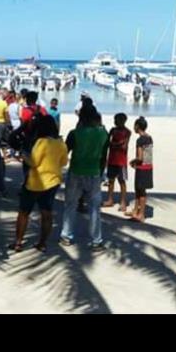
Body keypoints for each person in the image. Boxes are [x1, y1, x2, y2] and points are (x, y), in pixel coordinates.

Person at [12, 115, 68, 253]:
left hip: (35, 182)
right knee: (46, 213)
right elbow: (64, 162)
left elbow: (34, 162)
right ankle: (42, 243)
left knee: (24, 213)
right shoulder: (61, 143)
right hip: (53, 181)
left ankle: (18, 243)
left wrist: (23, 155)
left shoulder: (41, 142)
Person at [60, 103, 109, 252]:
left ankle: (66, 236)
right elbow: (103, 157)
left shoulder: (74, 133)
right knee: (94, 208)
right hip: (94, 172)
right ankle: (96, 240)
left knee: (70, 205)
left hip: (76, 171)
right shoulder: (103, 134)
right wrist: (101, 173)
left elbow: (65, 152)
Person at [103, 113, 132, 211]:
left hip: (121, 161)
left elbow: (124, 146)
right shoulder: (112, 130)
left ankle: (123, 202)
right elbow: (107, 143)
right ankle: (110, 199)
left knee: (122, 181)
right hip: (112, 159)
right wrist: (117, 144)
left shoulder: (127, 132)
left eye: (117, 120)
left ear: (123, 121)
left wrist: (114, 144)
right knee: (111, 180)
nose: (115, 122)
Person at [127, 116, 153, 222]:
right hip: (148, 166)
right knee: (139, 189)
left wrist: (132, 162)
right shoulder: (149, 137)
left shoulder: (140, 140)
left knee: (141, 191)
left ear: (137, 127)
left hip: (142, 167)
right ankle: (135, 211)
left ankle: (141, 214)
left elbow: (140, 157)